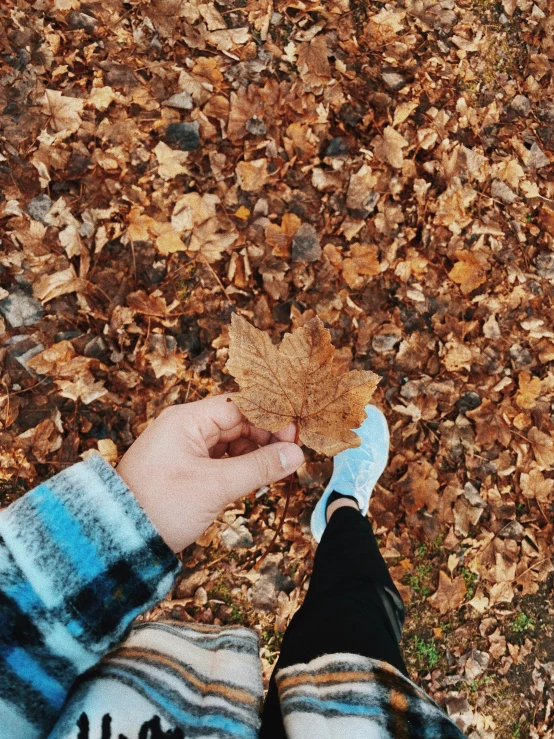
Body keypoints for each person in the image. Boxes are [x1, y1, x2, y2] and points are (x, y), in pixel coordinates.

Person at [0, 394, 465, 738]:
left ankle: (340, 510)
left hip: (143, 696)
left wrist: (129, 514)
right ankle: (344, 508)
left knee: (351, 609)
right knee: (358, 606)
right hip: (355, 723)